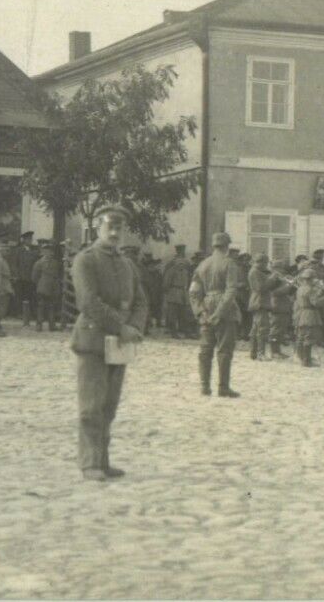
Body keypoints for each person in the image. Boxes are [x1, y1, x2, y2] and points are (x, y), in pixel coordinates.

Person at [69, 205, 147, 482]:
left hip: (120, 343)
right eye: (109, 227)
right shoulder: (85, 260)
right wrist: (121, 327)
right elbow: (88, 302)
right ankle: (90, 463)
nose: (114, 233)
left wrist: (134, 327)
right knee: (91, 406)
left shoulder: (126, 264)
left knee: (109, 405)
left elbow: (141, 301)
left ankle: (103, 460)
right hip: (93, 340)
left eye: (119, 228)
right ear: (97, 228)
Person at [190, 232, 244, 397]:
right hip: (226, 310)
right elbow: (231, 291)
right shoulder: (229, 263)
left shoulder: (203, 264)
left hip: (206, 306)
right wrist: (220, 312)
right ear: (227, 246)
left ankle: (204, 386)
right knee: (225, 350)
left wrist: (200, 312)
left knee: (205, 349)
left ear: (213, 246)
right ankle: (223, 387)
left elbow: (193, 292)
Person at [293, 263, 324, 367]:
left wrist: (320, 291)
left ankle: (301, 357)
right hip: (310, 314)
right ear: (312, 279)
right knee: (309, 337)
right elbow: (315, 303)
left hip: (301, 313)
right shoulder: (310, 289)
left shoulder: (300, 288)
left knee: (302, 336)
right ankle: (307, 361)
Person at [246, 254, 280, 361]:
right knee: (262, 329)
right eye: (266, 262)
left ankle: (253, 353)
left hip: (260, 302)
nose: (266, 265)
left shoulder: (258, 272)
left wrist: (274, 279)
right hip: (259, 302)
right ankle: (260, 354)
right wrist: (272, 278)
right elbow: (260, 288)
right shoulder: (255, 272)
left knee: (256, 329)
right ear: (261, 262)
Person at [161, 245, 194, 339]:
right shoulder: (171, 271)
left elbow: (188, 281)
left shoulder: (185, 272)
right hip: (174, 294)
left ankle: (187, 332)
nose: (182, 264)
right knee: (173, 314)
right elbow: (166, 284)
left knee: (185, 314)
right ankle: (173, 332)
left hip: (183, 293)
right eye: (180, 263)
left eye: (183, 263)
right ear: (176, 263)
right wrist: (169, 293)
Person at [33, 240, 65, 332]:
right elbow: (34, 276)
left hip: (53, 287)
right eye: (46, 251)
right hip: (42, 287)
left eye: (50, 251)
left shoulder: (56, 263)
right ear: (42, 252)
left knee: (52, 306)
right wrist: (40, 284)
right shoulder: (39, 263)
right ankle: (39, 325)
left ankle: (52, 325)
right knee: (41, 306)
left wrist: (56, 285)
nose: (48, 253)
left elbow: (59, 274)